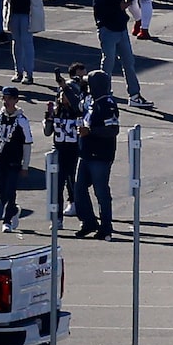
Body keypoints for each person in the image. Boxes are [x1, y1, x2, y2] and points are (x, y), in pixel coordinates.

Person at [93, 0, 148, 107]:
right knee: (108, 63)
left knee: (128, 61)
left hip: (120, 28)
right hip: (109, 29)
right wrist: (120, 6)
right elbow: (100, 7)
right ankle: (103, 93)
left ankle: (134, 95)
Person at [72, 71, 120, 240]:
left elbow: (113, 129)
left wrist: (90, 131)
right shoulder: (90, 100)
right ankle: (88, 222)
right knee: (79, 189)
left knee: (101, 192)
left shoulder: (108, 104)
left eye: (89, 83)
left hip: (101, 156)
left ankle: (106, 226)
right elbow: (77, 104)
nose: (86, 85)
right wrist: (68, 86)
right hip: (86, 155)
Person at [0, 84, 32, 233]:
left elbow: (27, 144)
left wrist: (25, 166)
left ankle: (6, 221)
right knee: (0, 190)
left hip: (14, 161)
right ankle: (13, 210)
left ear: (16, 100)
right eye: (4, 98)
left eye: (9, 98)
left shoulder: (22, 120)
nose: (6, 101)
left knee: (11, 190)